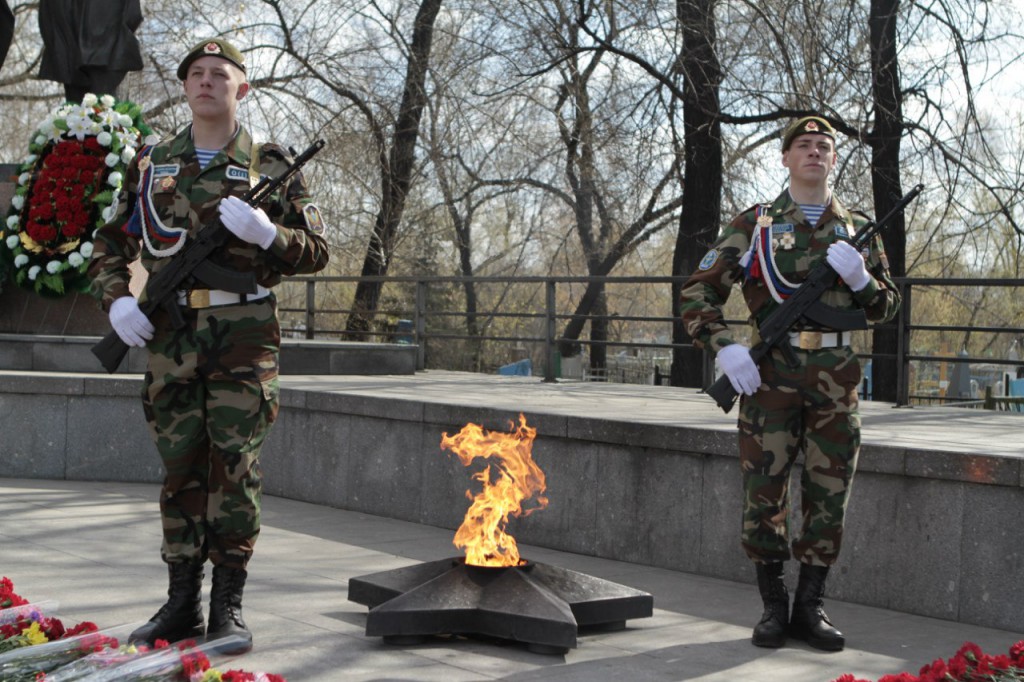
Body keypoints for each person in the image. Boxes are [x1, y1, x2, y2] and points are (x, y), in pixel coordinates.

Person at [88, 37, 329, 653]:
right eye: (195, 73)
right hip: (171, 341)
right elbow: (110, 242)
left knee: (235, 470)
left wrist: (271, 233)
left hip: (244, 342)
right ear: (185, 87)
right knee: (180, 473)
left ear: (241, 88)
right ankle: (179, 604)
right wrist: (118, 300)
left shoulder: (270, 164)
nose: (205, 81)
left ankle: (228, 607)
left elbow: (318, 251)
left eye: (219, 73)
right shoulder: (152, 162)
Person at [679, 115, 901, 652]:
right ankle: (773, 606)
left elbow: (886, 306)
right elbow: (697, 293)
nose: (815, 153)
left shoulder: (856, 227)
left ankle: (811, 606)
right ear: (785, 158)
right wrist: (726, 348)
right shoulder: (755, 224)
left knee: (829, 498)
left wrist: (861, 279)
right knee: (765, 494)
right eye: (804, 145)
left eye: (824, 146)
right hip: (768, 379)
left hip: (835, 386)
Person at [37, 0, 144, 102]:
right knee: (102, 111)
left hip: (72, 59)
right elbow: (134, 14)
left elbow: (47, 18)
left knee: (79, 113)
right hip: (108, 55)